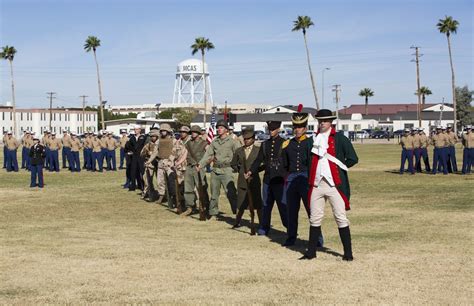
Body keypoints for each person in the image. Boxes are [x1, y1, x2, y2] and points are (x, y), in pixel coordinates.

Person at [301, 109, 359, 261]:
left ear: (331, 122)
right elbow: (306, 162)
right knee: (314, 218)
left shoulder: (340, 139)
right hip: (316, 185)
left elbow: (353, 158)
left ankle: (348, 254)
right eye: (320, 121)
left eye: (325, 121)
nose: (322, 123)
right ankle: (311, 252)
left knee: (341, 217)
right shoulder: (310, 141)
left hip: (335, 185)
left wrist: (339, 169)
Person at [281, 107, 323, 247]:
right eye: (295, 127)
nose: (297, 130)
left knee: (312, 210)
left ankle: (317, 239)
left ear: (305, 128)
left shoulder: (311, 143)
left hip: (306, 178)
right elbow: (285, 165)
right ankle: (291, 237)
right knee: (291, 211)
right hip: (292, 178)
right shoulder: (287, 144)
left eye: (300, 127)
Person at [247, 120, 288, 236]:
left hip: (279, 179)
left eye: (273, 129)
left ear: (278, 129)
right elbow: (258, 160)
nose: (271, 131)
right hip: (268, 179)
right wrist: (251, 171)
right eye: (270, 129)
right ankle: (264, 227)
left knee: (283, 205)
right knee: (266, 205)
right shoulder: (265, 144)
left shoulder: (284, 143)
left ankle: (289, 227)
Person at [198, 119, 240, 220]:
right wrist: (200, 164)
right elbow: (208, 154)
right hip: (215, 170)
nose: (218, 129)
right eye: (217, 128)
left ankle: (238, 213)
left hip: (227, 170)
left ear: (226, 130)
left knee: (231, 193)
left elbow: (239, 154)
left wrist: (239, 166)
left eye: (221, 128)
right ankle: (213, 213)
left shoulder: (232, 141)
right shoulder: (214, 142)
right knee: (214, 194)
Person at [231, 127, 262, 230]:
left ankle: (261, 223)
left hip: (254, 179)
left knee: (257, 203)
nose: (246, 140)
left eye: (248, 138)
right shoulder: (239, 150)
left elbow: (264, 164)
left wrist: (255, 170)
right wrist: (240, 170)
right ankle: (237, 221)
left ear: (253, 138)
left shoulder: (258, 150)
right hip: (242, 180)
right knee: (240, 203)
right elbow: (233, 164)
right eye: (245, 139)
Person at [183, 125, 210, 216]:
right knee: (188, 188)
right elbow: (185, 154)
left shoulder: (204, 143)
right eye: (192, 132)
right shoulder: (188, 143)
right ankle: (190, 207)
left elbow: (209, 155)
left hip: (199, 168)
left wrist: (202, 164)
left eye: (195, 132)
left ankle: (205, 206)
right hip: (189, 167)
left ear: (199, 133)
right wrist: (178, 163)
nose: (193, 133)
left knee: (201, 188)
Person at [141, 129, 160, 201]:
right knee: (147, 180)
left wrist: (156, 154)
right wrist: (147, 153)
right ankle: (148, 193)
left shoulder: (160, 144)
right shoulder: (148, 145)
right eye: (151, 136)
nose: (153, 138)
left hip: (159, 164)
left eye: (154, 136)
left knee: (160, 181)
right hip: (150, 165)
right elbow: (141, 154)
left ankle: (163, 195)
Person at [128, 125, 146, 191]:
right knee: (133, 171)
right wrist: (129, 151)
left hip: (141, 157)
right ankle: (133, 186)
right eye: (134, 129)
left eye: (137, 129)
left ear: (140, 130)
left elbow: (144, 146)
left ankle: (143, 186)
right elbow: (129, 146)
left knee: (142, 171)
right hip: (134, 156)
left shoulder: (143, 137)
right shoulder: (132, 138)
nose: (135, 130)